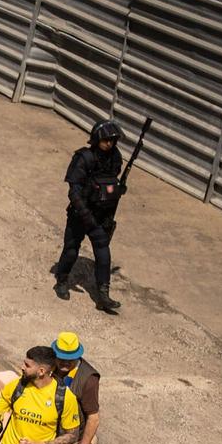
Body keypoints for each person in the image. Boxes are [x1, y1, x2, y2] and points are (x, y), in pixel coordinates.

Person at [51, 120, 128, 314]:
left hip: (101, 215)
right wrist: (84, 213)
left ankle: (103, 294)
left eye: (113, 140)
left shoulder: (115, 158)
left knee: (103, 253)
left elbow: (111, 183)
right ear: (96, 140)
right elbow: (74, 191)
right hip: (81, 214)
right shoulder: (83, 158)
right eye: (105, 140)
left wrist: (117, 190)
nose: (109, 144)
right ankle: (62, 280)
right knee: (71, 249)